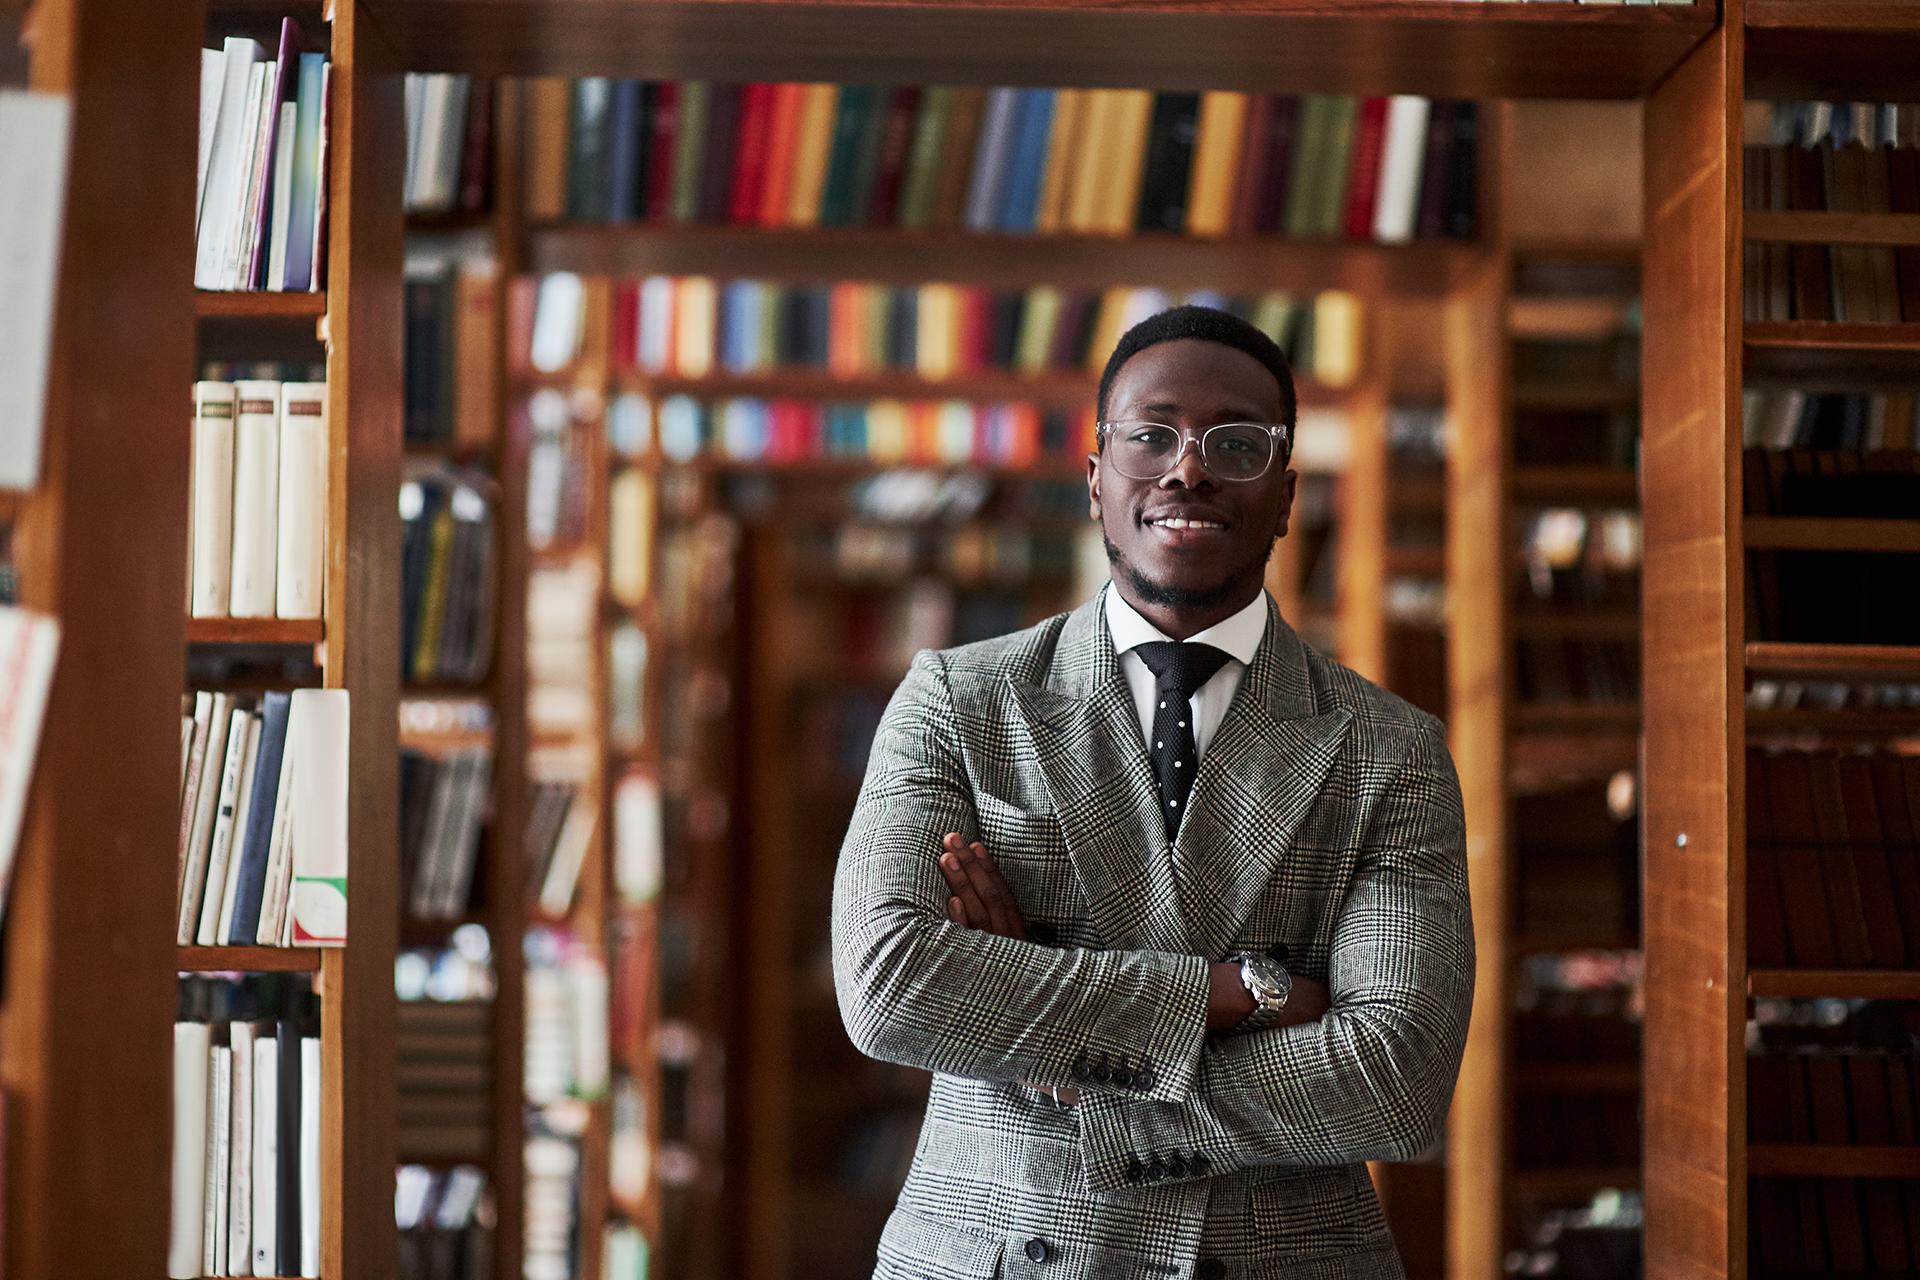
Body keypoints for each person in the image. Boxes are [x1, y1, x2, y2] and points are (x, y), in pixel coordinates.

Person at [831, 304, 1475, 1280]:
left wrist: (1048, 1044)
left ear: (1288, 492)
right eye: (1151, 434)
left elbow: (1396, 1079)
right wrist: (1238, 996)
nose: (1188, 467)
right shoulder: (957, 699)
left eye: (1235, 442)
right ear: (1097, 479)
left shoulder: (1391, 748)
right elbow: (889, 984)